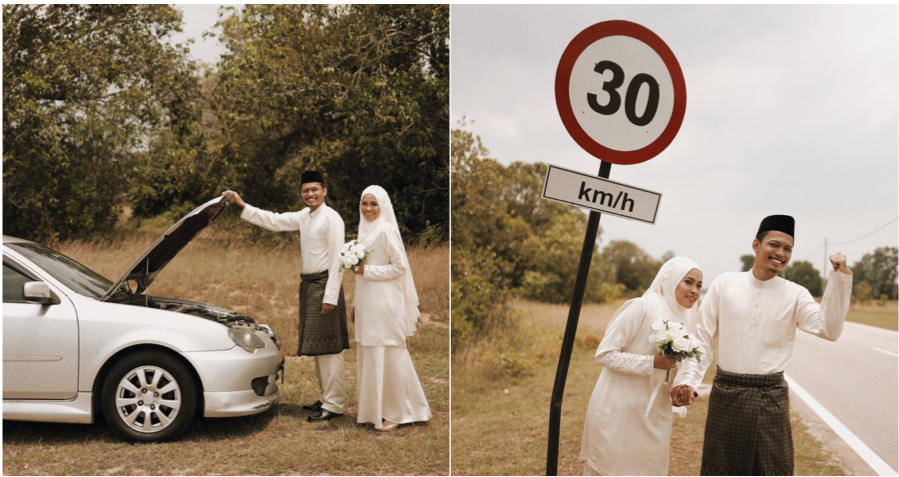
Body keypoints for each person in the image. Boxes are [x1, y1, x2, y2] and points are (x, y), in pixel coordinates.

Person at [671, 215, 852, 475]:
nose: (780, 253)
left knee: (772, 469)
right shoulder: (724, 284)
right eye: (774, 245)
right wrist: (687, 379)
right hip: (727, 394)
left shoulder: (796, 293)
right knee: (721, 469)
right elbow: (701, 338)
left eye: (787, 249)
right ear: (756, 245)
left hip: (771, 398)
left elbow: (829, 330)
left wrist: (839, 279)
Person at [222, 171, 349, 422]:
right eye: (305, 190)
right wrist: (243, 205)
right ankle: (326, 398)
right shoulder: (305, 215)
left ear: (325, 191)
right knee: (318, 347)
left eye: (315, 189)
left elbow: (338, 260)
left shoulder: (332, 218)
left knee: (330, 348)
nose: (310, 194)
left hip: (325, 287)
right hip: (310, 286)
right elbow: (275, 220)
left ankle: (334, 404)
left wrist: (330, 296)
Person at [581, 257, 703, 476]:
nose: (695, 290)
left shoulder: (686, 320)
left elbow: (682, 367)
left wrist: (679, 387)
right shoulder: (642, 307)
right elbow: (604, 354)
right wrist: (651, 363)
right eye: (689, 282)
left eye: (699, 286)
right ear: (670, 280)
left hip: (656, 412)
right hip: (619, 409)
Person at [351, 185, 431, 432]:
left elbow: (400, 267)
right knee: (371, 352)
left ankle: (400, 412)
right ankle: (375, 410)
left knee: (390, 352)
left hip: (385, 303)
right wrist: (355, 303)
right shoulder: (362, 232)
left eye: (373, 204)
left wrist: (368, 271)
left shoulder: (386, 231)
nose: (368, 209)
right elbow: (357, 274)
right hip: (367, 302)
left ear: (383, 206)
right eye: (365, 203)